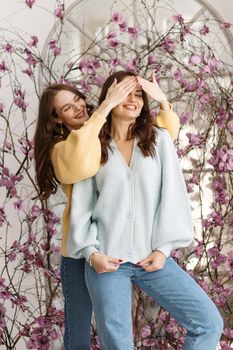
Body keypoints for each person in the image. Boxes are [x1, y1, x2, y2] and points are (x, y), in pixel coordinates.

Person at [69, 71, 224, 350]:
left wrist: (163, 250)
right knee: (118, 345)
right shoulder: (92, 145)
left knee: (208, 322)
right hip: (107, 262)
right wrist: (92, 254)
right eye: (125, 93)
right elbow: (82, 205)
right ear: (109, 97)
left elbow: (173, 196)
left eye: (138, 95)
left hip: (152, 259)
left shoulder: (158, 140)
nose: (133, 100)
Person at [33, 75, 180, 350]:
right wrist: (105, 107)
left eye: (77, 99)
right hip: (79, 249)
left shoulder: (100, 130)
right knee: (78, 329)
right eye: (67, 108)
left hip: (110, 242)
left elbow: (165, 136)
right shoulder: (63, 148)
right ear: (57, 120)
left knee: (113, 329)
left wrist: (162, 101)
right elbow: (82, 162)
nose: (78, 107)